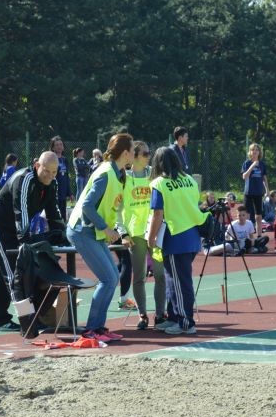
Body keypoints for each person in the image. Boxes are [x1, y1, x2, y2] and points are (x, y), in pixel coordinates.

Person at [0, 151, 66, 332]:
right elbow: (20, 210)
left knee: (3, 270)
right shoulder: (24, 179)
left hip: (17, 228)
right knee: (11, 273)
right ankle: (28, 321)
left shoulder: (51, 183)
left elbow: (54, 210)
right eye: (47, 171)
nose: (51, 176)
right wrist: (24, 240)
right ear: (37, 165)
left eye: (55, 172)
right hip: (0, 225)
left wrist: (61, 232)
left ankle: (0, 319)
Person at [67, 133, 134, 342]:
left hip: (93, 231)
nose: (134, 153)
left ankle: (99, 327)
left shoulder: (117, 173)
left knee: (112, 276)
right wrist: (106, 229)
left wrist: (112, 229)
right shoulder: (106, 172)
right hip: (81, 231)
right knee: (108, 279)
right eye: (132, 150)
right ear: (125, 153)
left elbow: (108, 206)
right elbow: (86, 205)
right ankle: (91, 329)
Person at [146, 145, 204, 335]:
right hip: (192, 234)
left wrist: (151, 237)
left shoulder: (159, 183)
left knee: (180, 282)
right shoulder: (189, 180)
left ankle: (186, 322)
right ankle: (174, 317)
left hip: (175, 236)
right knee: (174, 280)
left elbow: (157, 214)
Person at [118, 140, 167, 330]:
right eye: (146, 154)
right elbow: (117, 209)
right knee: (138, 277)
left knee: (160, 275)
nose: (150, 157)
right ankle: (143, 315)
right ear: (135, 156)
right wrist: (122, 232)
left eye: (150, 153)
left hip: (153, 232)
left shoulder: (154, 177)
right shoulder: (124, 178)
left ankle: (161, 315)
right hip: (136, 234)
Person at [240, 143, 269, 222]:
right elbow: (244, 176)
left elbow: (264, 178)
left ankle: (259, 234)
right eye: (253, 150)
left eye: (257, 150)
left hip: (259, 192)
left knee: (258, 215)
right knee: (247, 214)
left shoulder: (262, 164)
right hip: (248, 192)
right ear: (250, 152)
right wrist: (252, 166)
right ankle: (247, 232)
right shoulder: (247, 163)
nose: (255, 151)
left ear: (259, 152)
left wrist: (267, 190)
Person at [49, 136, 74, 220]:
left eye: (60, 144)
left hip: (63, 192)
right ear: (52, 147)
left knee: (63, 215)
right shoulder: (50, 159)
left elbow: (66, 177)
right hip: (54, 192)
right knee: (54, 215)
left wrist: (70, 193)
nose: (59, 146)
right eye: (56, 145)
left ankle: (62, 231)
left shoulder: (65, 160)